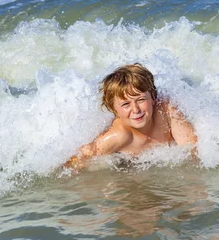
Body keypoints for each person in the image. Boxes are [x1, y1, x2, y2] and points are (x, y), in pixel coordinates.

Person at [66, 63, 198, 169]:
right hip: (126, 168)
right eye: (125, 104)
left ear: (152, 97)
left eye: (141, 100)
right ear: (114, 109)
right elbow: (76, 162)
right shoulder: (119, 136)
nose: (135, 109)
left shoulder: (167, 112)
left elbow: (194, 151)